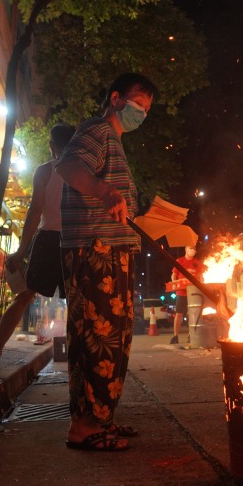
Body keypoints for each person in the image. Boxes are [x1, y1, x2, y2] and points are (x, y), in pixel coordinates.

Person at [55, 72, 158, 452]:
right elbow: (67, 165)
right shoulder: (97, 131)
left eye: (146, 110)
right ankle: (86, 427)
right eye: (137, 104)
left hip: (111, 250)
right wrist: (103, 189)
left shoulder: (113, 142)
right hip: (97, 251)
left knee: (106, 338)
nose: (141, 114)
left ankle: (98, 418)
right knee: (100, 337)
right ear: (115, 98)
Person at [0, 124, 76, 373]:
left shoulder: (44, 171)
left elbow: (35, 211)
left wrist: (21, 249)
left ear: (51, 146)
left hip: (47, 240)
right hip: (73, 242)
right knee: (79, 304)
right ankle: (81, 359)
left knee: (24, 297)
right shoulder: (84, 172)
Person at [169, 245, 202, 346]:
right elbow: (173, 275)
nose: (193, 250)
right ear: (186, 249)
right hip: (182, 292)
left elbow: (200, 276)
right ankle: (175, 336)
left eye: (194, 249)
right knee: (179, 313)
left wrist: (201, 286)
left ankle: (191, 335)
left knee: (192, 314)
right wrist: (175, 284)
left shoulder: (197, 262)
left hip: (194, 292)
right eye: (190, 248)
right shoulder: (179, 261)